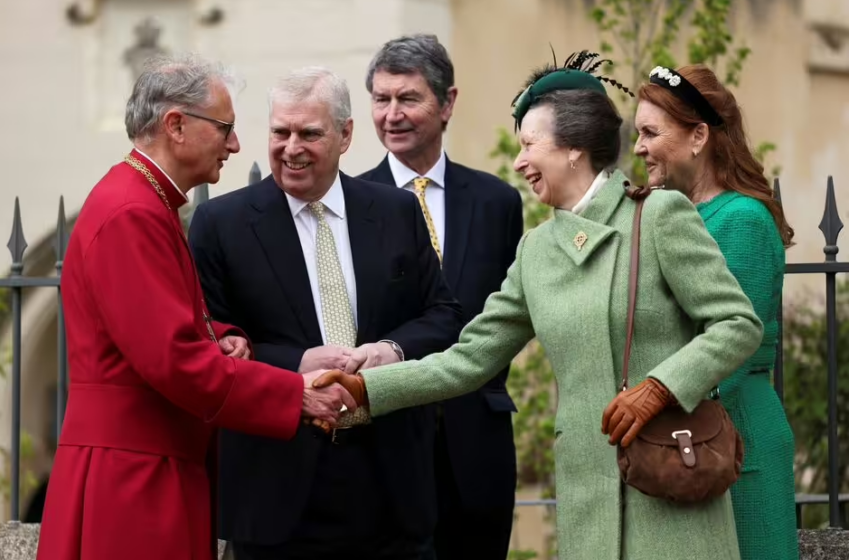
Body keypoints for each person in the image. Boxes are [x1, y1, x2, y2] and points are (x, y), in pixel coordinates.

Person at [312, 51, 765, 560]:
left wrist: (660, 388)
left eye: (530, 144)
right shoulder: (536, 252)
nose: (520, 161)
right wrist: (365, 388)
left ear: (573, 149)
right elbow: (468, 361)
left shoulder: (658, 216)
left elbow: (736, 324)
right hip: (587, 503)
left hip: (673, 491)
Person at [35, 54, 355, 560]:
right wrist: (293, 393)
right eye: (225, 127)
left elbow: (164, 324)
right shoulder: (130, 213)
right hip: (133, 473)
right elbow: (173, 359)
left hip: (147, 461)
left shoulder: (144, 201)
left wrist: (223, 336)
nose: (235, 144)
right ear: (176, 125)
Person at [188, 66, 464, 560]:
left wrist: (391, 350)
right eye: (280, 132)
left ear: (345, 134)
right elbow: (211, 345)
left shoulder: (397, 212)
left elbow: (443, 314)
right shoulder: (219, 225)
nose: (291, 147)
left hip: (392, 490)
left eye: (309, 133)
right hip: (277, 492)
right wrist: (296, 364)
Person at [358, 34, 523, 560]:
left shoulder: (497, 202)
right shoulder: (350, 203)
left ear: (447, 102)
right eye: (381, 100)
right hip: (384, 445)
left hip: (477, 443)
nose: (391, 114)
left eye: (408, 99)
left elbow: (510, 314)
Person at [634, 63, 799, 560]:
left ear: (699, 135)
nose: (638, 147)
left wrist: (650, 408)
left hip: (734, 439)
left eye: (650, 132)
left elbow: (729, 349)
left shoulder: (743, 219)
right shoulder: (677, 215)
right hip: (693, 435)